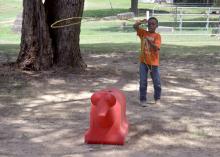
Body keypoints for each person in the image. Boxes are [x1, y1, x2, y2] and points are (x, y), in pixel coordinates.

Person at [133, 17, 161, 107]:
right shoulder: (143, 33)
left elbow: (156, 48)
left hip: (154, 63)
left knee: (157, 82)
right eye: (149, 24)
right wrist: (141, 22)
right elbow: (135, 26)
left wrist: (149, 41)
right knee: (143, 82)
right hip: (143, 62)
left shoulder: (157, 36)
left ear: (157, 26)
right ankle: (143, 100)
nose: (151, 25)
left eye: (153, 24)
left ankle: (157, 99)